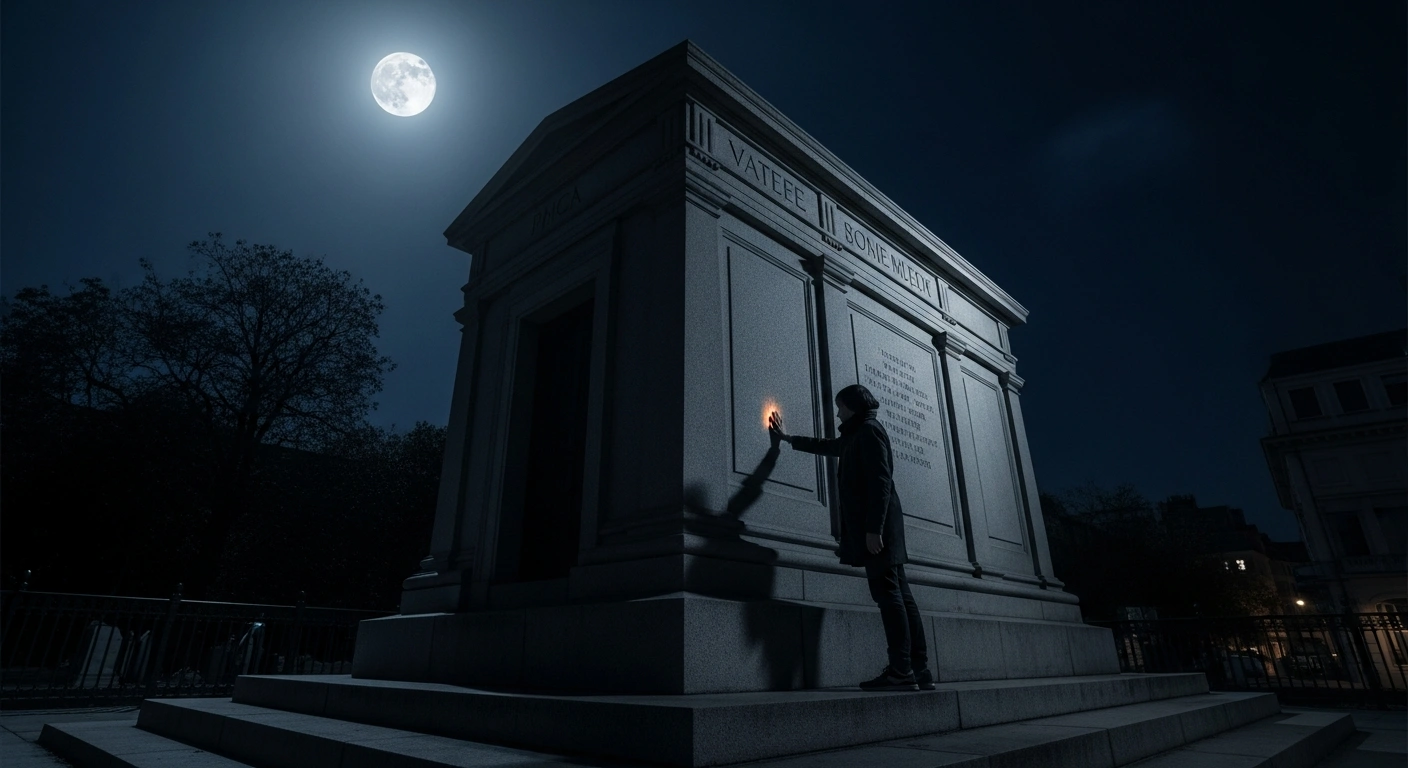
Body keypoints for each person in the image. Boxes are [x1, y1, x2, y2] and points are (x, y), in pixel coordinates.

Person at [769, 384, 932, 692]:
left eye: (840, 407)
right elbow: (831, 446)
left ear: (853, 406)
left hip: (878, 530)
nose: (837, 413)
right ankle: (918, 668)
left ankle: (901, 670)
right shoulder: (859, 432)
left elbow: (881, 482)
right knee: (900, 595)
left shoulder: (868, 431)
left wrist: (873, 529)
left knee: (889, 597)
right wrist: (789, 439)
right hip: (883, 528)